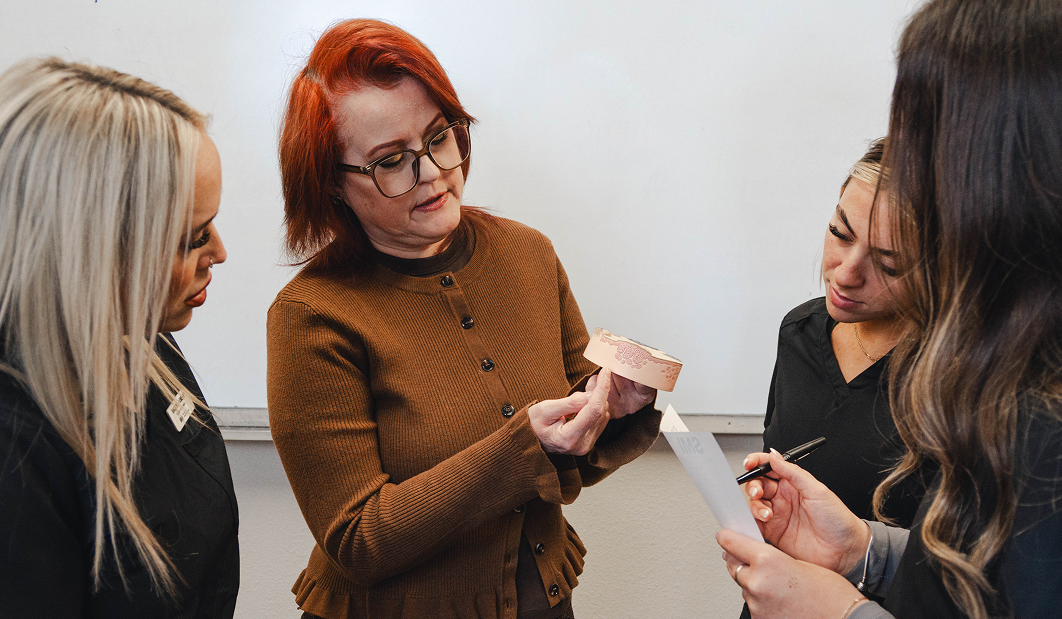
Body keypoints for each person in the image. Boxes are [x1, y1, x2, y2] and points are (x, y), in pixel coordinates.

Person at [267, 19, 662, 619]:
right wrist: (521, 448)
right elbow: (357, 539)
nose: (432, 172)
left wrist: (609, 404)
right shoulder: (314, 316)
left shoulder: (528, 254)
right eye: (390, 161)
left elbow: (565, 454)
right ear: (333, 186)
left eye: (438, 137)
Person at [718, 1, 1062, 618]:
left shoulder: (1033, 412)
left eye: (929, 134)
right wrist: (864, 551)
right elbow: (977, 579)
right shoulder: (808, 333)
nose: (915, 164)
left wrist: (843, 613)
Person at [0, 58, 237, 616]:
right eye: (193, 237)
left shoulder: (145, 340)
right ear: (97, 245)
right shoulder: (17, 447)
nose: (220, 253)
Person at [760, 138, 927, 529]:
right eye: (840, 233)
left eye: (889, 264)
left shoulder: (960, 381)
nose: (845, 274)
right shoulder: (800, 332)